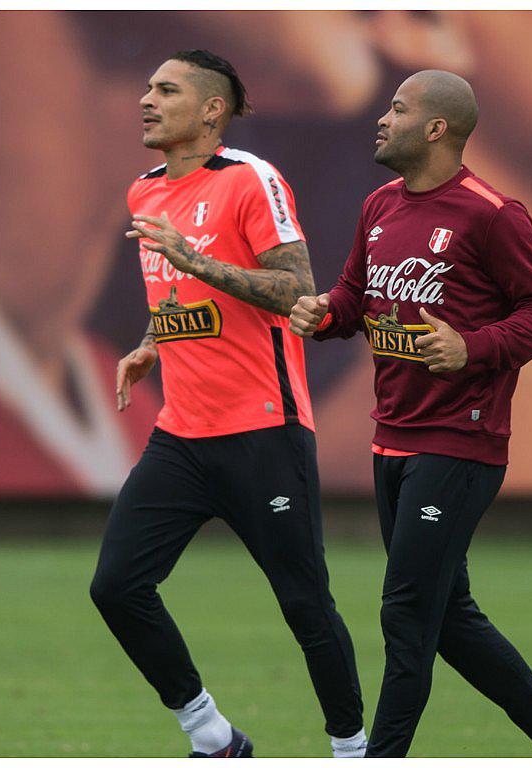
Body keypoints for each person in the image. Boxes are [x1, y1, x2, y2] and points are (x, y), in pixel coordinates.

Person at [289, 69, 532, 758]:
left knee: (407, 611)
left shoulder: (493, 214)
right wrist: (326, 314)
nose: (382, 117)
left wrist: (473, 347)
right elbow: (356, 296)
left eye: (399, 108)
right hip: (393, 437)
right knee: (449, 616)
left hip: (460, 443)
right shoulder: (379, 204)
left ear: (437, 128)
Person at [88, 50, 366, 758]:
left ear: (211, 110)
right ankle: (211, 734)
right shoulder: (143, 191)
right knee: (116, 587)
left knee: (305, 606)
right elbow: (183, 295)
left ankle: (354, 749)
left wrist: (196, 261)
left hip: (264, 433)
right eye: (146, 86)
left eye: (167, 90)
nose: (147, 99)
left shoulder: (251, 180)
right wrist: (153, 340)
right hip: (181, 436)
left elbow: (296, 287)